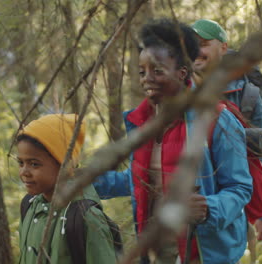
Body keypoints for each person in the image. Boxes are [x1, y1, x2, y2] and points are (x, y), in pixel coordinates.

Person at [94, 18, 253, 264]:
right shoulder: (142, 123)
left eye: (157, 70)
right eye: (142, 71)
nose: (147, 78)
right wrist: (93, 183)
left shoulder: (216, 119)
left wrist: (209, 208)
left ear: (182, 72)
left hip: (203, 254)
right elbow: (143, 179)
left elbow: (240, 188)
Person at [191, 19, 262, 241]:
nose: (195, 51)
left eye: (203, 44)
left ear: (223, 47)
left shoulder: (247, 96)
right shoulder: (174, 88)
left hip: (229, 212)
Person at [17, 114, 116, 264]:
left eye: (34, 164)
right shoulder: (29, 206)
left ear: (64, 165)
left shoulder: (87, 218)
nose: (24, 172)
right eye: (21, 163)